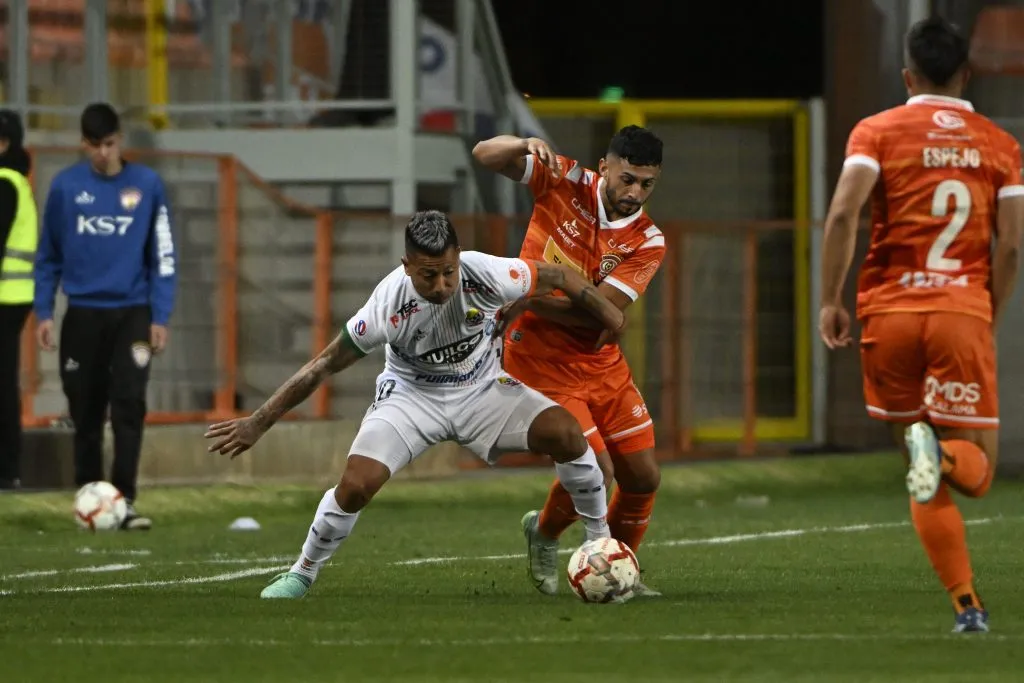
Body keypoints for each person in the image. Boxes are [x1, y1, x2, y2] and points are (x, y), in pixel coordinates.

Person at [205, 210, 626, 600]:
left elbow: (556, 274)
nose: (441, 285)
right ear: (406, 266)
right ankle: (303, 571)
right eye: (428, 276)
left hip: (482, 390)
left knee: (568, 435)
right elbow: (323, 366)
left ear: (459, 257)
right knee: (355, 486)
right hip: (411, 398)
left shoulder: (490, 274)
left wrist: (609, 313)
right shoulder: (387, 306)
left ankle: (599, 543)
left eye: (448, 272)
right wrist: (258, 422)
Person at [819, 16, 1024, 634]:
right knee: (977, 472)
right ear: (967, 74)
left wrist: (833, 299)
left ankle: (967, 604)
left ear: (907, 75)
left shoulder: (876, 131)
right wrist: (988, 313)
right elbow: (1010, 245)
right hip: (960, 312)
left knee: (919, 461)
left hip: (888, 314)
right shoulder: (999, 144)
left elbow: (842, 214)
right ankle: (943, 460)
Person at [472, 125, 666, 596]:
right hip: (538, 359)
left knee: (642, 477)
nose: (635, 193)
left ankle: (617, 569)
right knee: (598, 470)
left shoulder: (648, 241)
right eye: (627, 179)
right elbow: (483, 154)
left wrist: (525, 297)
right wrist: (520, 145)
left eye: (647, 184)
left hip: (600, 363)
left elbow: (599, 317)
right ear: (605, 167)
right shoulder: (563, 180)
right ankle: (546, 534)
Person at [34, 103, 178, 529]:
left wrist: (160, 314)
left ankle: (125, 500)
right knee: (86, 408)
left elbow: (164, 257)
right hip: (82, 314)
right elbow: (48, 257)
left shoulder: (147, 186)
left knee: (129, 402)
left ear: (120, 140)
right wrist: (44, 311)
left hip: (133, 312)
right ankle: (88, 497)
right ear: (83, 144)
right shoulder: (65, 188)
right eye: (94, 145)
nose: (103, 153)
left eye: (110, 144)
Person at [0, 110, 37, 491]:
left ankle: (6, 469)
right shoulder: (16, 181)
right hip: (14, 298)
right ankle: (8, 469)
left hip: (4, 298)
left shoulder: (4, 182)